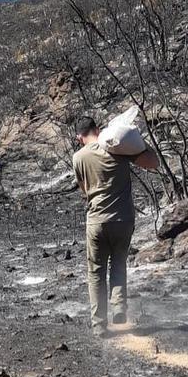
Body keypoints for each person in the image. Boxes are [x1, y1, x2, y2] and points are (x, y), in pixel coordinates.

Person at [72, 116, 159, 337]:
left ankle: (99, 324)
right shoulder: (117, 149)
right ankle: (119, 309)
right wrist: (140, 144)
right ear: (98, 129)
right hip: (123, 219)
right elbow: (152, 163)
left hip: (96, 221)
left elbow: (84, 190)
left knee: (96, 273)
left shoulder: (78, 157)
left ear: (79, 137)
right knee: (118, 263)